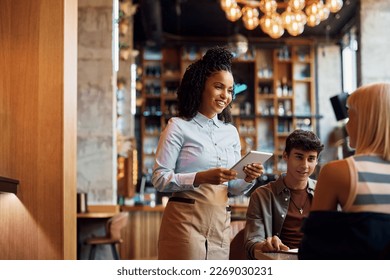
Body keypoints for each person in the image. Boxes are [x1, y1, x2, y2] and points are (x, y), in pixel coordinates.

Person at [152, 46, 264, 260]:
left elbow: (232, 188)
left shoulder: (231, 132)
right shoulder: (178, 126)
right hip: (185, 223)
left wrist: (248, 178)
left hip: (220, 224)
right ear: (200, 87)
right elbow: (159, 178)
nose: (226, 95)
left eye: (230, 90)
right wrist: (201, 177)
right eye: (219, 87)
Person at [299, 82, 390, 259]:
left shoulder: (338, 172)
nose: (347, 126)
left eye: (350, 116)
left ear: (365, 120)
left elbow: (313, 250)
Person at [244, 129, 324, 260]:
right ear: (285, 156)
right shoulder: (262, 195)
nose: (305, 165)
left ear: (316, 161)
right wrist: (265, 245)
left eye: (311, 159)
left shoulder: (324, 191)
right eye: (299, 157)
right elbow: (251, 242)